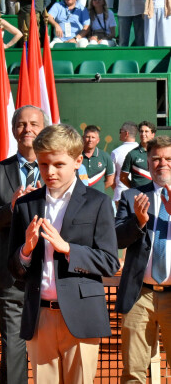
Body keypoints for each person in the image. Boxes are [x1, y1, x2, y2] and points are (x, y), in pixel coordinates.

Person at [8, 124, 120, 383]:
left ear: (78, 161)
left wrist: (68, 248)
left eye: (59, 164)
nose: (50, 171)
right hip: (39, 317)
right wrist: (25, 250)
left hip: (82, 315)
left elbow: (110, 262)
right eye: (44, 164)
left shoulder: (98, 202)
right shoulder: (25, 204)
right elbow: (13, 267)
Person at [0, 105, 48, 384]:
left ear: (43, 129)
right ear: (13, 129)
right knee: (13, 352)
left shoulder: (57, 169)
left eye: (33, 124)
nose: (27, 129)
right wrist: (11, 207)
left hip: (50, 275)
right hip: (10, 277)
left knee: (50, 352)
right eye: (21, 124)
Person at [115, 135, 171, 382]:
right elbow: (116, 239)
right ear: (148, 163)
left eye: (168, 158)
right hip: (140, 294)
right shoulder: (132, 196)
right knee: (133, 371)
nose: (162, 164)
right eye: (156, 159)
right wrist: (138, 221)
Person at [120, 121, 157, 192]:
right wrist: (135, 189)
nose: (143, 134)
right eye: (141, 131)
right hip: (139, 195)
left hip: (157, 194)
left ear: (153, 134)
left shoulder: (158, 152)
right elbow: (123, 177)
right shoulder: (132, 154)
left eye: (146, 131)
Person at [81, 125, 115, 195]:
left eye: (93, 137)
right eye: (87, 137)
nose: (90, 140)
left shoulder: (105, 156)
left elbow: (110, 181)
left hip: (98, 199)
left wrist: (99, 191)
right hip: (80, 198)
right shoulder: (76, 156)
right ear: (83, 138)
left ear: (98, 140)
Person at [112, 122, 139, 205]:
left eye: (121, 131)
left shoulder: (116, 152)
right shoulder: (144, 152)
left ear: (126, 133)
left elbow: (112, 179)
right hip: (140, 195)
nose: (119, 133)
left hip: (120, 195)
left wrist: (117, 190)